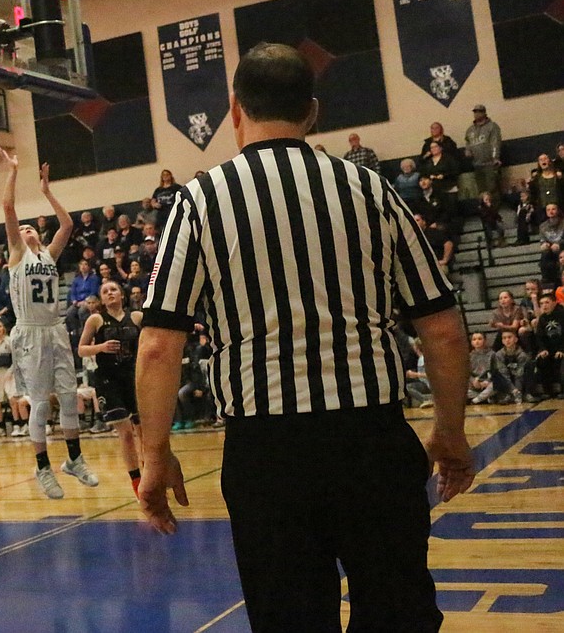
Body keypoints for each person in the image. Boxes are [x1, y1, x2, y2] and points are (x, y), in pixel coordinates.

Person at [135, 43, 474, 631]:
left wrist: (156, 455)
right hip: (372, 439)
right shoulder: (373, 190)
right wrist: (448, 432)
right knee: (399, 614)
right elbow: (442, 330)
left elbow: (161, 345)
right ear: (313, 113)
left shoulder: (199, 200)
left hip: (268, 454)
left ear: (234, 110)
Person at [0, 147, 100, 499]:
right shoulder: (16, 253)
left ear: (38, 237)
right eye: (22, 227)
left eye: (30, 227)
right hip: (29, 331)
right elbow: (9, 208)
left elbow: (67, 224)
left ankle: (74, 459)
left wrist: (46, 191)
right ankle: (42, 467)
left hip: (55, 329)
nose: (25, 228)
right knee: (40, 403)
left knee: (69, 397)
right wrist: (13, 170)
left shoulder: (48, 254)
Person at [77, 280, 143, 497]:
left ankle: (151, 472)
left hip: (133, 377)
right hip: (108, 379)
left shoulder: (136, 317)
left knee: (143, 431)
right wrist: (101, 347)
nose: (110, 293)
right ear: (101, 299)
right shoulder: (96, 320)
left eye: (113, 289)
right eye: (105, 291)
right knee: (125, 432)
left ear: (122, 294)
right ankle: (137, 482)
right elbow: (81, 350)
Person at [465, 103, 502, 198]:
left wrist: (495, 158)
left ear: (484, 113)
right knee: (481, 190)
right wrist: (468, 150)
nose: (476, 114)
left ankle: (494, 209)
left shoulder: (492, 126)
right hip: (477, 164)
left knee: (492, 188)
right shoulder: (470, 130)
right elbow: (468, 142)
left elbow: (495, 143)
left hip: (489, 163)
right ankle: (484, 210)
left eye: (479, 111)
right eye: (475, 112)